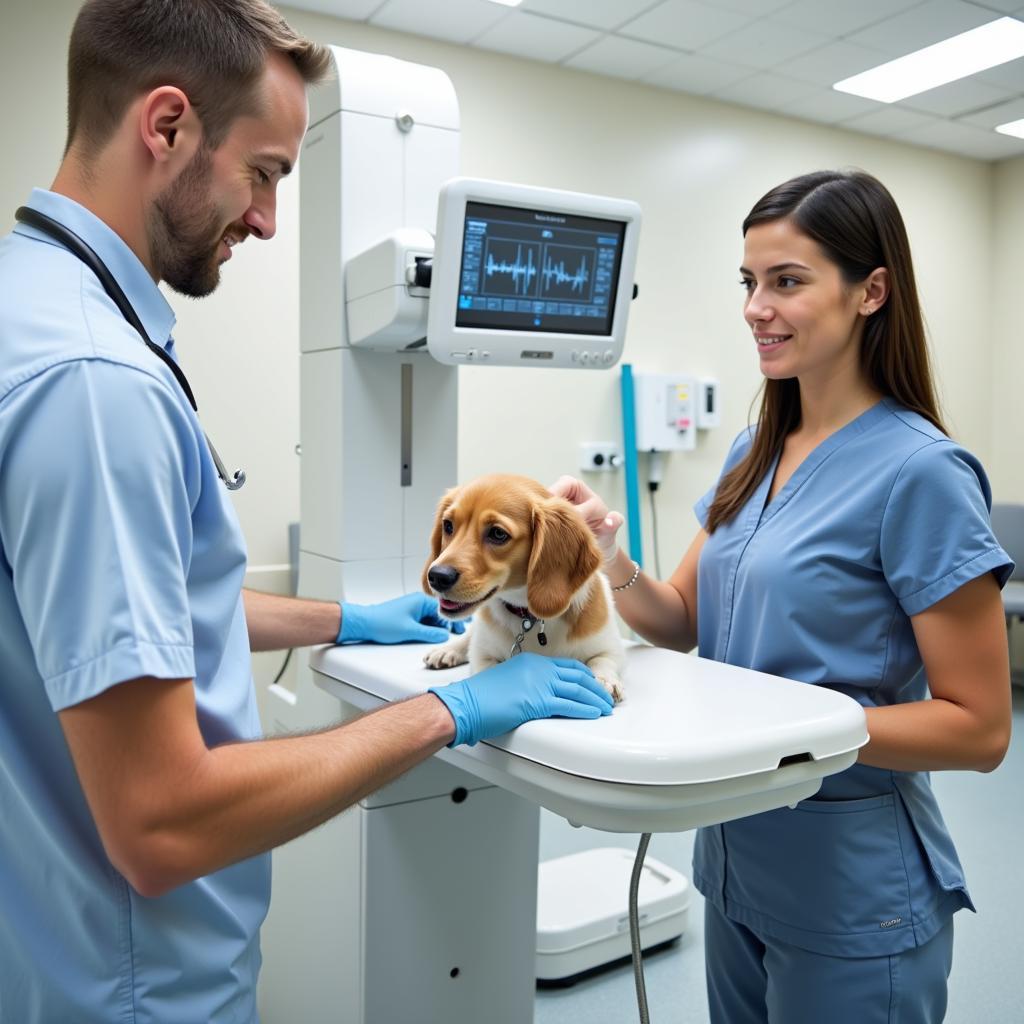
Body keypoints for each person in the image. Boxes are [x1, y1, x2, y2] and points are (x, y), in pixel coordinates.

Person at [0, 2, 614, 1021]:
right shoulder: (95, 386)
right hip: (133, 983)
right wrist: (451, 710)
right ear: (166, 126)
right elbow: (160, 824)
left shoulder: (30, 308)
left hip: (49, 944)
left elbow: (111, 615)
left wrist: (341, 619)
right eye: (266, 173)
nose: (267, 219)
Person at [554, 169, 1013, 1023]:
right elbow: (682, 621)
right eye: (750, 282)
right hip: (737, 854)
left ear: (871, 291)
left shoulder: (922, 473)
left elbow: (980, 727)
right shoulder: (752, 450)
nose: (756, 307)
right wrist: (601, 560)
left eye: (787, 281)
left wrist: (773, 733)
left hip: (852, 884)